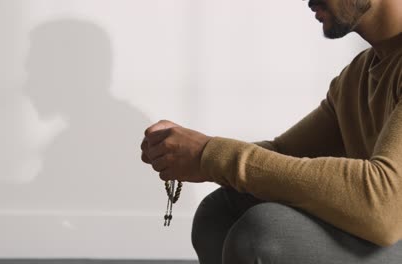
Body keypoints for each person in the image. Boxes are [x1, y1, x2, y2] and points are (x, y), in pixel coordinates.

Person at [141, 0, 402, 263]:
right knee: (221, 211)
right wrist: (196, 153)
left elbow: (383, 203)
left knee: (264, 234)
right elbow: (282, 154)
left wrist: (210, 155)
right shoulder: (357, 77)